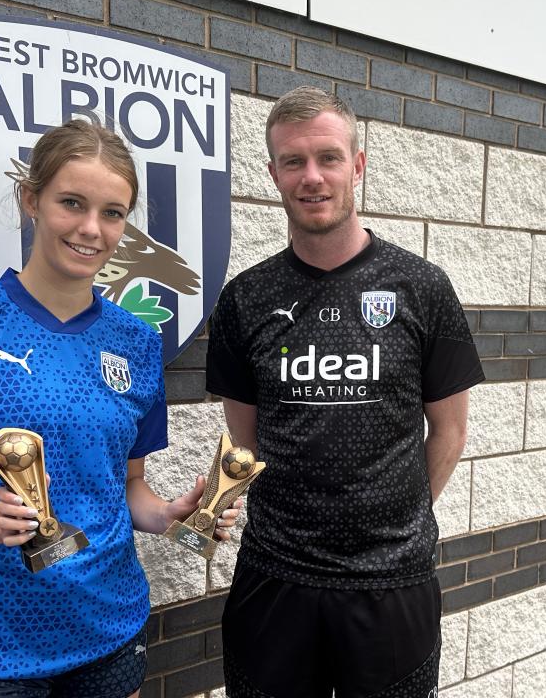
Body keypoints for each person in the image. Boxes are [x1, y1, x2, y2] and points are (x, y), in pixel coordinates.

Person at [0, 119, 240, 698]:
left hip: (109, 631)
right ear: (31, 200)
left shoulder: (136, 343)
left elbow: (127, 487)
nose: (92, 229)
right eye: (72, 203)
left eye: (112, 213)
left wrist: (171, 516)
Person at [205, 87, 485, 698]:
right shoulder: (245, 299)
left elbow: (451, 430)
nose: (312, 177)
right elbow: (246, 443)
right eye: (293, 161)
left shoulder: (421, 287)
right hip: (276, 576)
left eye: (328, 157)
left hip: (392, 581)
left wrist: (398, 517)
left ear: (357, 165)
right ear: (273, 173)